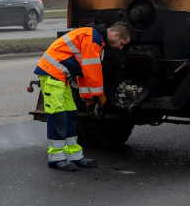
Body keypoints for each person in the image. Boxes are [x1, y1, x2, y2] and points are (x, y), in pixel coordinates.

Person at [34, 22, 132, 171]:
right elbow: (92, 71)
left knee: (71, 115)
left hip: (62, 78)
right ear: (115, 35)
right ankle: (56, 158)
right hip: (52, 75)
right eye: (121, 43)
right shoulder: (92, 38)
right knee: (58, 116)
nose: (120, 47)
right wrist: (99, 96)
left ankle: (74, 155)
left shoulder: (95, 40)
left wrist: (88, 98)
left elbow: (83, 73)